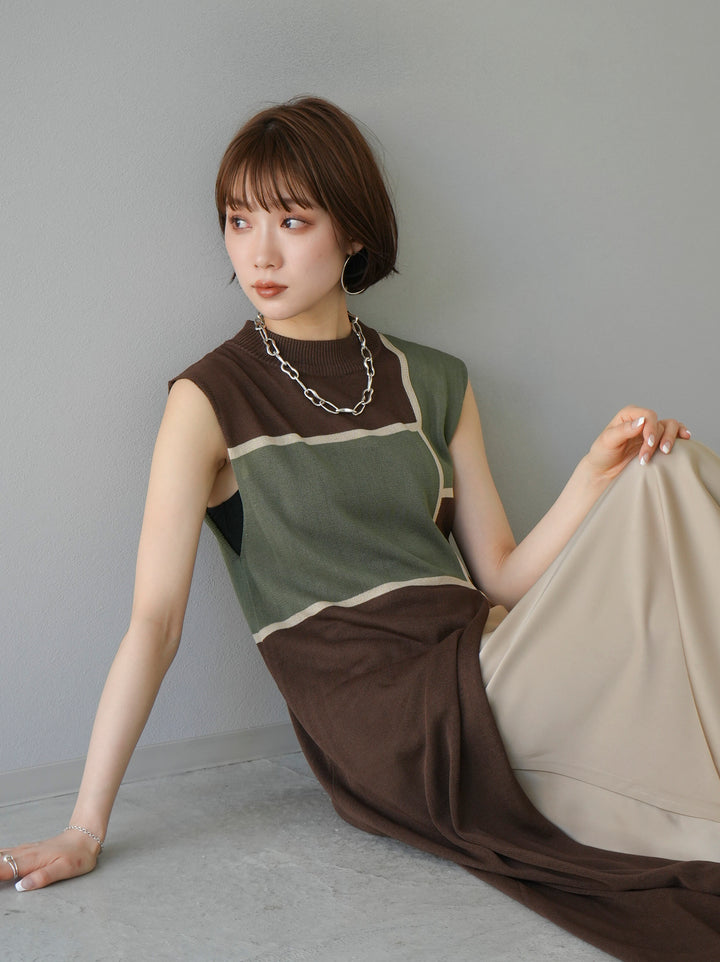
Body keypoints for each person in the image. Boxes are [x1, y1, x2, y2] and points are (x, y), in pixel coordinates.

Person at [2, 96, 720, 961]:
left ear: (351, 233)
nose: (259, 254)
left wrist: (596, 475)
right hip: (390, 721)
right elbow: (154, 625)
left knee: (670, 466)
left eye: (292, 220)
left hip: (491, 658)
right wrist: (84, 827)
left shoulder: (435, 380)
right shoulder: (209, 399)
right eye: (238, 221)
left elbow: (500, 576)